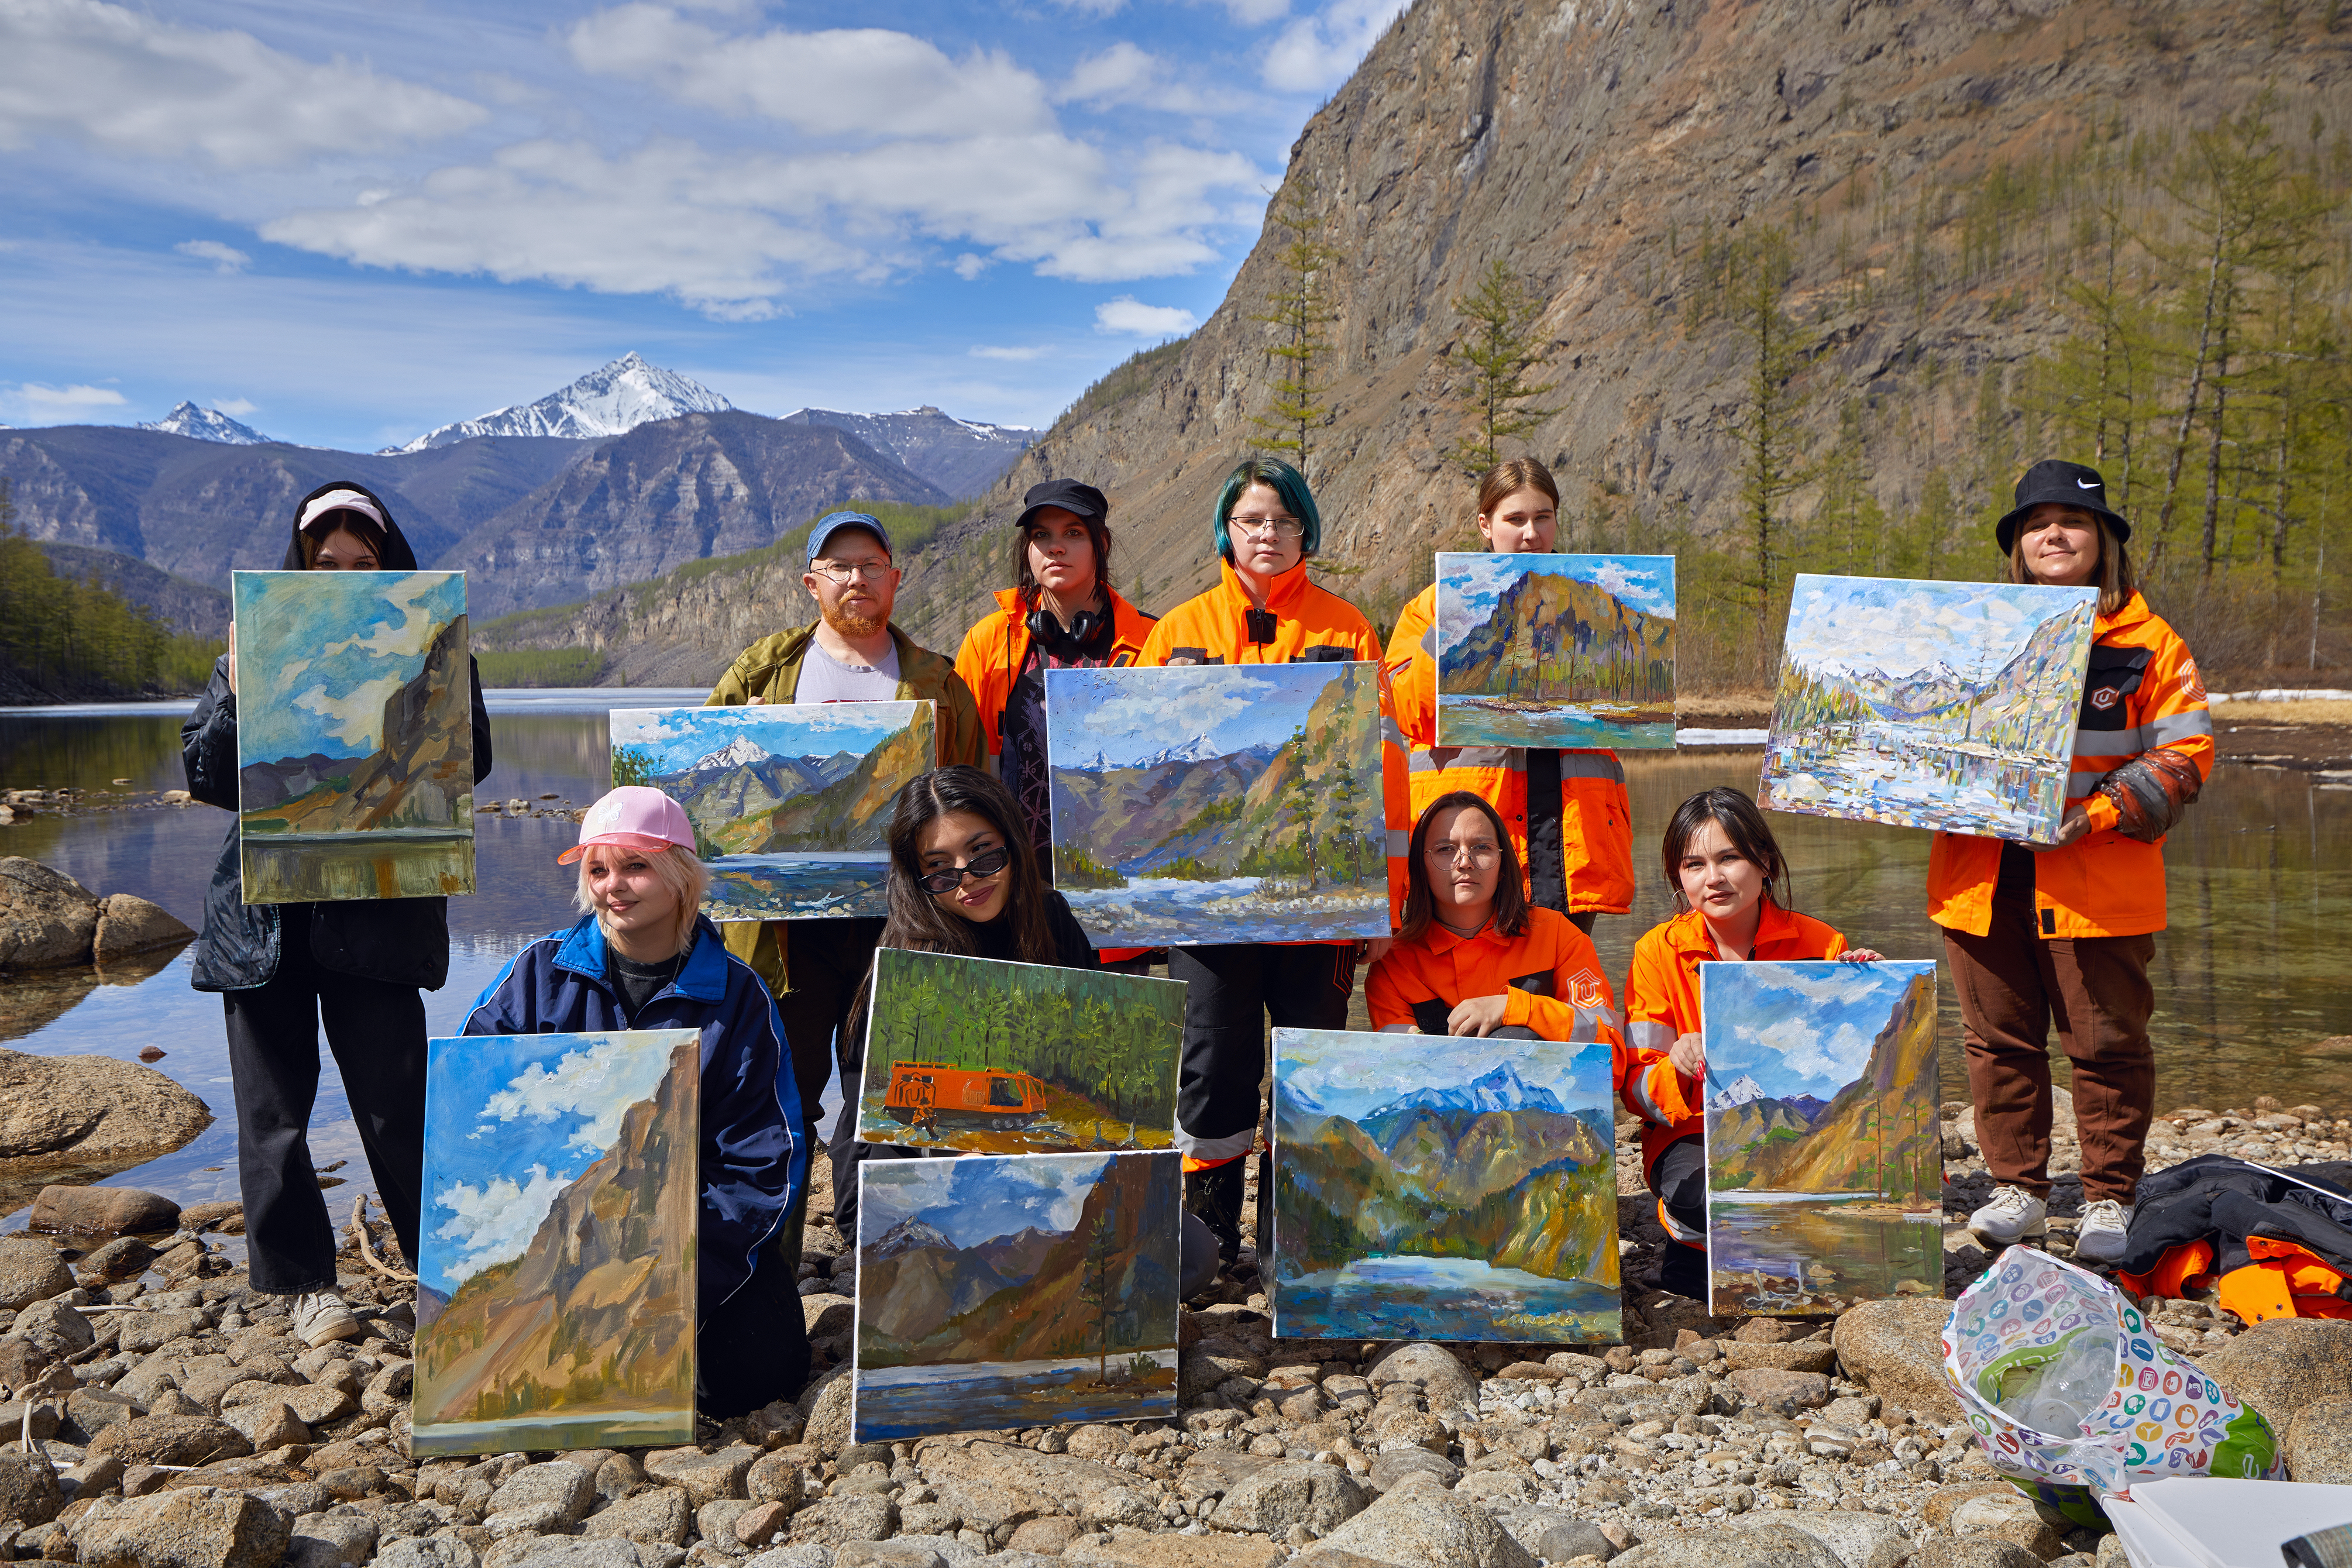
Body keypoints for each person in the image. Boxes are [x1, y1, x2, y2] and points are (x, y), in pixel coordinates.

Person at [181, 482, 494, 1348]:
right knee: (272, 1115)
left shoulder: (435, 647)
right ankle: (301, 1287)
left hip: (380, 919)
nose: (347, 576)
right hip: (264, 930)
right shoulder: (246, 651)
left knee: (399, 1110)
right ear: (302, 567)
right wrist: (246, 687)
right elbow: (208, 777)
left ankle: (453, 1277)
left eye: (365, 564)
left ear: (388, 565)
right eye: (328, 564)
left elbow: (474, 764)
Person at [1934, 460, 2213, 1266]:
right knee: (1997, 1044)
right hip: (1978, 878)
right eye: (2035, 523)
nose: (2053, 535)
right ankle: (2018, 1191)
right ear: (2018, 546)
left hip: (2096, 882)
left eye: (2073, 522)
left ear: (2105, 542)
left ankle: (2107, 1198)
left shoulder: (2151, 644)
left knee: (2108, 1044)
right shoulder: (1971, 635)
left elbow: (2186, 758)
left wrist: (2088, 817)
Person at [461, 788, 810, 1416]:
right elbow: (469, 1108)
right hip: (553, 1241)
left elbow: (765, 1162)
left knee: (758, 1374)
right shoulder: (536, 976)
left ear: (681, 876)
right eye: (598, 869)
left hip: (690, 1243)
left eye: (636, 867)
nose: (612, 886)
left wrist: (677, 1277)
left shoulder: (741, 998)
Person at [1137, 455, 1405, 1273]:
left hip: (1319, 900)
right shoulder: (1175, 633)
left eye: (1283, 521)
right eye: (1252, 518)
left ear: (1305, 532)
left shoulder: (1349, 627)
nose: (1267, 533)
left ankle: (1296, 1246)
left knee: (1308, 1064)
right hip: (1206, 906)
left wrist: (1383, 906)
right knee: (1212, 1066)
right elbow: (1143, 775)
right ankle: (1208, 1243)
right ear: (1227, 527)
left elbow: (1386, 771)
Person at [840, 765, 1220, 1294]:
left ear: (1014, 843)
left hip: (1050, 1168)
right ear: (917, 879)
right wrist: (877, 1221)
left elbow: (1108, 1083)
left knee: (1194, 1260)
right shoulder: (906, 960)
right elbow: (872, 1121)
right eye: (941, 869)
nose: (968, 878)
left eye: (984, 854)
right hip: (943, 1185)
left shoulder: (1051, 917)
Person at [704, 511, 984, 1226]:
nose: (856, 578)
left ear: (895, 578)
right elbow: (705, 784)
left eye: (870, 565)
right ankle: (773, 1247)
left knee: (885, 1090)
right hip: (785, 931)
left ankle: (872, 1253)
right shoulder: (762, 674)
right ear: (811, 583)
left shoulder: (939, 684)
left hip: (902, 920)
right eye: (839, 567)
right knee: (780, 1087)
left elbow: (976, 795)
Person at [1620, 788, 1883, 1299]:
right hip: (1691, 1131)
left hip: (1807, 1124)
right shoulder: (1656, 952)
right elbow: (1634, 1089)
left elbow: (1848, 1064)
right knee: (1699, 1194)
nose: (1712, 878)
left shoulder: (1822, 943)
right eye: (1693, 864)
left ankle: (1800, 1259)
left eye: (1729, 858)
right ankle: (1692, 1248)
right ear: (1678, 876)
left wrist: (1868, 987)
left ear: (1764, 861)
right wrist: (1673, 1063)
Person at [1385, 460, 1634, 932]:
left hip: (1572, 843)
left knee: (1552, 1003)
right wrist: (1460, 620)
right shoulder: (1432, 607)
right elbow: (1410, 712)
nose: (1530, 533)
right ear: (1486, 525)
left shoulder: (1600, 600)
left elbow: (1636, 709)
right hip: (1471, 854)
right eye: (1514, 519)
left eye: (1543, 517)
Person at [953, 479, 1156, 868]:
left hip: (1122, 867)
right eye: (1041, 535)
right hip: (1012, 875)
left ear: (1103, 544)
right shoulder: (987, 642)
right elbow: (963, 768)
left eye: (1074, 533)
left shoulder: (1152, 640)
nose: (1055, 547)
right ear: (1027, 549)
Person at [1367, 791, 1622, 1049]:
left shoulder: (1558, 936)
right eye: (1445, 849)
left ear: (1503, 865)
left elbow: (1611, 1053)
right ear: (1420, 867)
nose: (1465, 862)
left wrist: (1517, 1009)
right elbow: (1396, 1070)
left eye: (1482, 848)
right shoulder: (1394, 964)